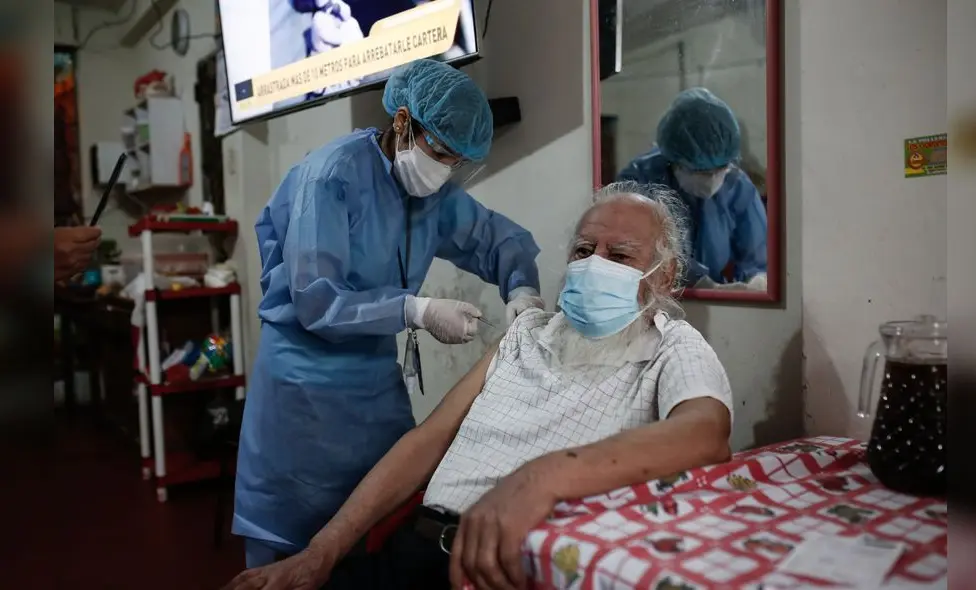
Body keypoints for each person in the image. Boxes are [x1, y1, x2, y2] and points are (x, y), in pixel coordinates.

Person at [223, 181, 733, 590]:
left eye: (619, 255)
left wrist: (541, 477)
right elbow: (427, 442)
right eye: (583, 249)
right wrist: (320, 554)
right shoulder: (526, 334)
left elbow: (705, 433)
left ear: (664, 278)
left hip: (511, 570)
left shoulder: (672, 348)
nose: (594, 264)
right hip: (419, 548)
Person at [233, 58, 546, 569]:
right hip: (303, 391)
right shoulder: (330, 177)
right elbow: (317, 301)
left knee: (383, 523)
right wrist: (416, 310)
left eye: (456, 162)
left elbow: (497, 238)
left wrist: (523, 292)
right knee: (291, 550)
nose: (444, 170)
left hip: (373, 384)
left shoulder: (432, 195)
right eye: (439, 152)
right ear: (402, 121)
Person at [618, 87, 767, 289]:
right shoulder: (641, 180)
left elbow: (757, 253)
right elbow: (637, 246)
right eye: (699, 172)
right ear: (673, 160)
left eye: (720, 169)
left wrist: (755, 281)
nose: (711, 179)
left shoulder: (737, 187)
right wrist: (698, 281)